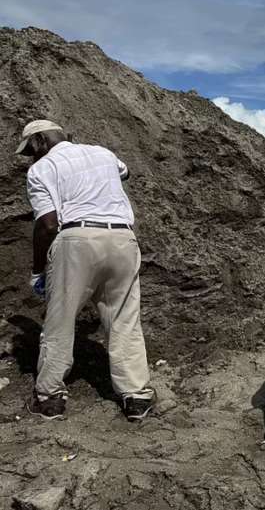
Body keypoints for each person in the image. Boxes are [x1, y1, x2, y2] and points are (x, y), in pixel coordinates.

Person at [15, 120, 155, 421]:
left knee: (60, 320)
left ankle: (50, 398)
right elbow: (125, 171)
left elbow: (48, 224)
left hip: (77, 239)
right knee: (124, 319)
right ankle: (136, 397)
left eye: (30, 151)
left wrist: (39, 270)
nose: (31, 157)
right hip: (122, 238)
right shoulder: (102, 153)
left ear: (40, 142)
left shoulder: (41, 169)